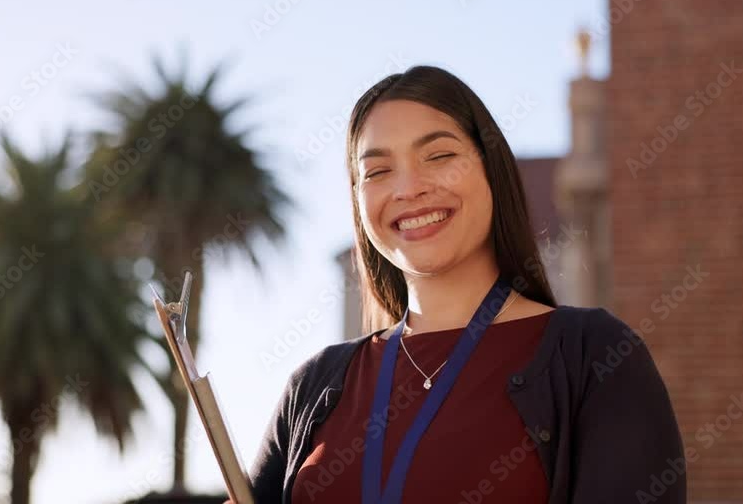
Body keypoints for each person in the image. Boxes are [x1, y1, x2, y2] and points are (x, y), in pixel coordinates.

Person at [233, 65, 686, 504]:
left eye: (439, 156)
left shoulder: (596, 357)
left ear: (493, 171)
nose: (408, 188)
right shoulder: (313, 386)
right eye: (377, 171)